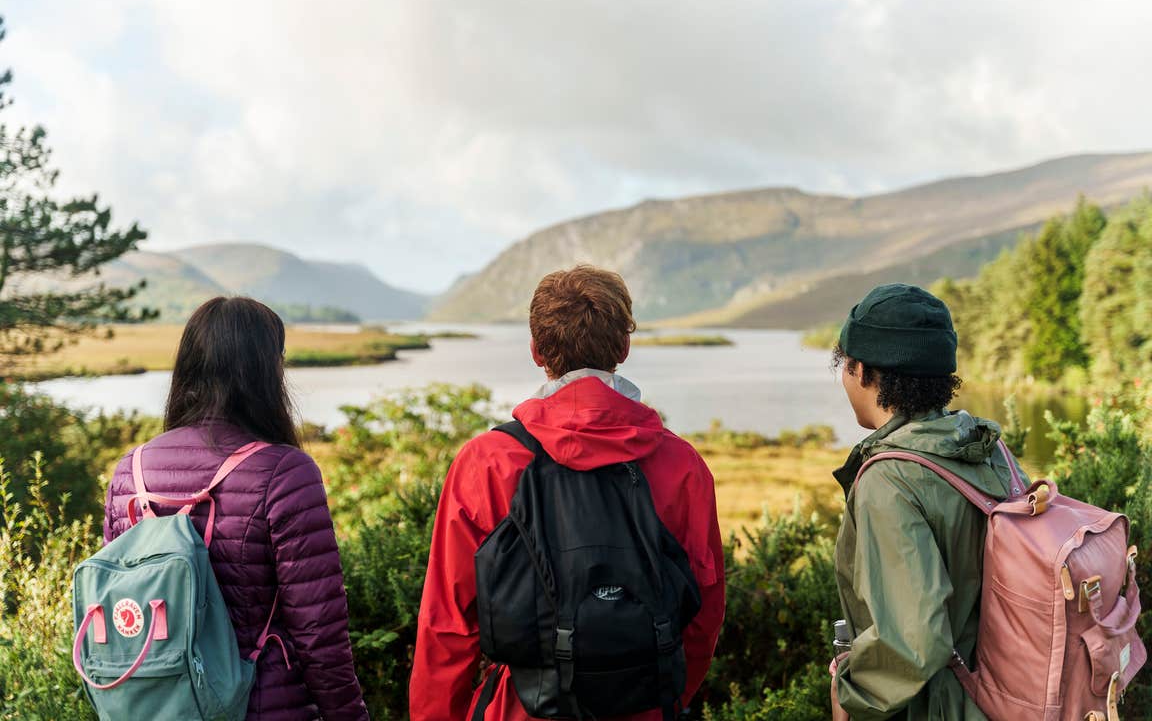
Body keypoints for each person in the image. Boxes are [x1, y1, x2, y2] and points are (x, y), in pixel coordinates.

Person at [409, 265, 726, 720]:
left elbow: (448, 624)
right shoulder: (682, 465)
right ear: (624, 347)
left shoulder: (488, 461)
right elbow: (703, 613)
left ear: (537, 351)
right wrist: (664, 695)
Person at [103, 297, 369, 721]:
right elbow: (319, 632)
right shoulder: (285, 471)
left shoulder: (128, 473)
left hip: (157, 707)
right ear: (266, 371)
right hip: (263, 706)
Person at [828, 283, 1027, 721]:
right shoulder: (989, 449)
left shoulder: (890, 479)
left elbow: (915, 640)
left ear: (862, 371)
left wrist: (851, 694)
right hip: (1005, 695)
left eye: (843, 364)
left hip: (938, 707)